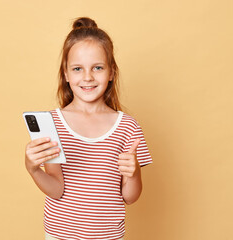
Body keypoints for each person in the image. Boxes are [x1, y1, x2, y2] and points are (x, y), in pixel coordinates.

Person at [25, 17, 152, 240]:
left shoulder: (127, 127)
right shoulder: (52, 124)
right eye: (77, 68)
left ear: (111, 72)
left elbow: (130, 197)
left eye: (98, 68)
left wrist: (133, 173)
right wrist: (33, 169)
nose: (87, 77)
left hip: (109, 236)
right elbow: (57, 189)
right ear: (65, 74)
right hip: (60, 235)